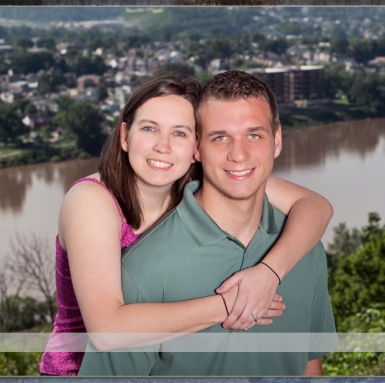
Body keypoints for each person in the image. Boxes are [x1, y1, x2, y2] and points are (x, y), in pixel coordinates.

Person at [40, 74, 334, 376]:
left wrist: (269, 272)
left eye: (179, 133)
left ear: (195, 146)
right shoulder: (92, 201)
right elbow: (106, 329)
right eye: (149, 128)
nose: (162, 146)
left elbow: (315, 206)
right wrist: (234, 303)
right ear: (125, 136)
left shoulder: (211, 178)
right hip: (75, 370)